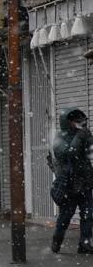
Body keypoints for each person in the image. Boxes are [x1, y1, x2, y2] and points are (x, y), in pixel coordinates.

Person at [51, 108, 93, 254]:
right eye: (75, 121)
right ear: (67, 122)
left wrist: (88, 138)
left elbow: (90, 153)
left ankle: (85, 244)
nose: (78, 124)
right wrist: (79, 138)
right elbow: (70, 154)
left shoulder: (81, 135)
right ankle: (57, 241)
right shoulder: (59, 138)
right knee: (65, 216)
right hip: (69, 185)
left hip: (85, 183)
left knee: (88, 215)